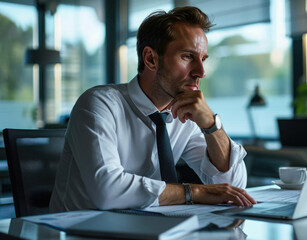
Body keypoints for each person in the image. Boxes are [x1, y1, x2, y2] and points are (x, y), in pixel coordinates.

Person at [49, 6, 256, 213]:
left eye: (203, 59)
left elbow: (234, 186)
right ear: (151, 59)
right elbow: (107, 191)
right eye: (187, 57)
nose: (201, 72)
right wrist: (194, 192)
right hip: (81, 232)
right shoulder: (98, 105)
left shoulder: (185, 115)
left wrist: (211, 125)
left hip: (148, 229)